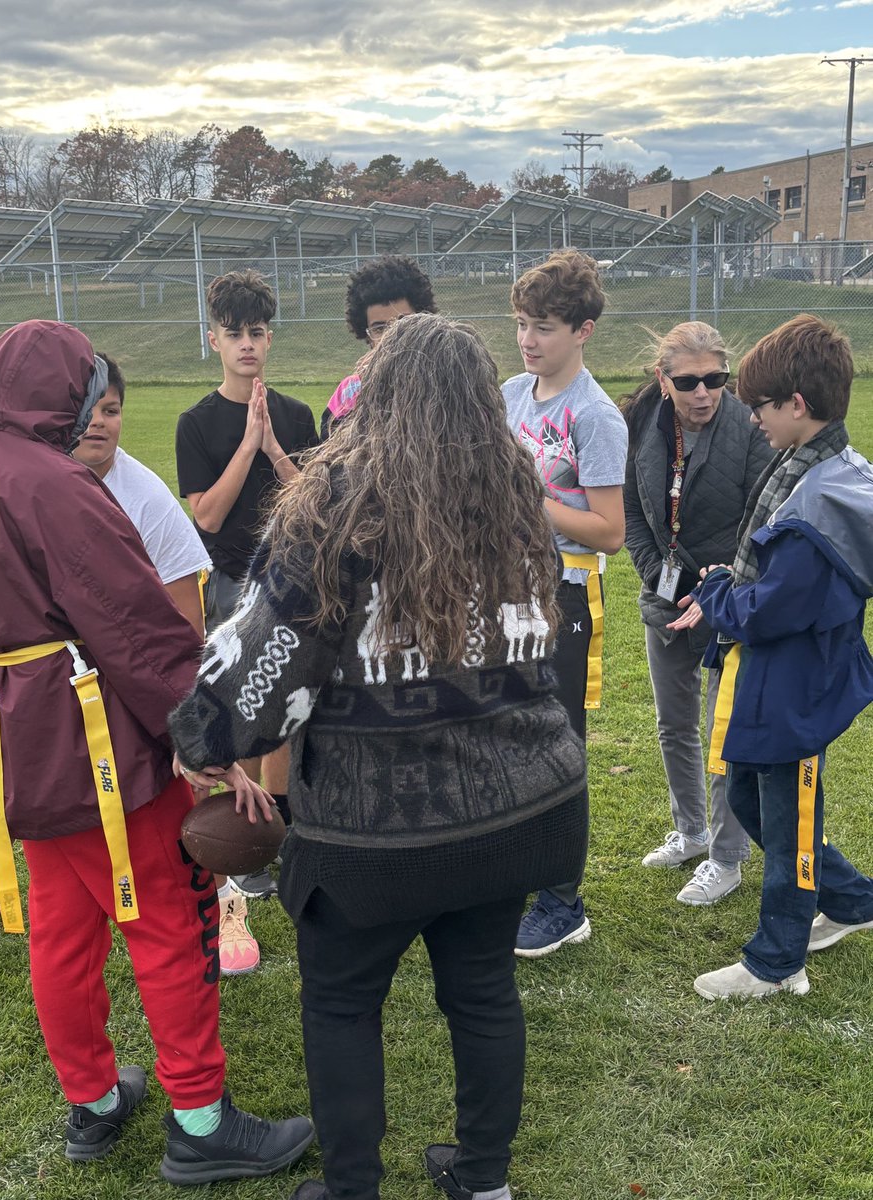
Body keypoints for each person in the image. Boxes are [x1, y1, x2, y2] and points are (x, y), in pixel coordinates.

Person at [169, 313, 589, 1200]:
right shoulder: (519, 488)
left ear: (380, 394)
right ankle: (483, 1180)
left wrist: (203, 742)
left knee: (341, 1005)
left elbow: (263, 665)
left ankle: (352, 1186)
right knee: (482, 995)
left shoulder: (338, 502)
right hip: (519, 807)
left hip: (376, 834)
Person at [0, 320, 313, 1180]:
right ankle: (200, 1124)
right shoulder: (53, 486)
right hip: (91, 744)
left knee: (59, 930)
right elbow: (135, 630)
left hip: (11, 738)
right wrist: (207, 740)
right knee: (168, 918)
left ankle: (90, 1101)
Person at [667, 314, 873, 999]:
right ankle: (852, 900)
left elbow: (769, 611)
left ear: (797, 406)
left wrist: (721, 588)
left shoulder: (822, 502)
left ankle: (778, 961)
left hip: (797, 688)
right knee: (755, 806)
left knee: (788, 823)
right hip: (773, 685)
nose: (749, 416)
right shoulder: (804, 465)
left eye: (758, 405)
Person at [71, 354, 257, 976]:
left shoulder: (143, 493)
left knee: (178, 787)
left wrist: (180, 710)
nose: (99, 424)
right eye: (87, 410)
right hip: (68, 680)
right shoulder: (37, 483)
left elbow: (185, 623)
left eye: (112, 410)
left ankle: (227, 895)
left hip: (140, 672)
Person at [176, 269, 319, 901]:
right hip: (232, 582)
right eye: (234, 334)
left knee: (289, 707)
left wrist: (276, 448)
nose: (247, 345)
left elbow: (314, 504)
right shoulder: (196, 421)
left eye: (257, 332)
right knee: (240, 706)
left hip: (293, 577)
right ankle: (238, 839)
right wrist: (247, 445)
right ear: (213, 339)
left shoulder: (295, 413)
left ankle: (279, 827)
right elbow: (205, 514)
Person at [502, 248, 627, 956]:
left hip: (564, 597)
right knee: (505, 735)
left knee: (556, 751)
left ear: (582, 329)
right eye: (522, 323)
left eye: (544, 327)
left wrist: (534, 501)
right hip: (504, 591)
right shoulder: (511, 393)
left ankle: (562, 901)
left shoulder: (596, 416)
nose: (528, 339)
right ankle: (515, 876)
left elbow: (608, 531)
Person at [621, 323, 773, 905]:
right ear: (664, 380)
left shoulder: (749, 428)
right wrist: (657, 574)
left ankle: (726, 857)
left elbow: (763, 519)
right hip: (664, 597)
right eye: (688, 382)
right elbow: (632, 509)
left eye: (715, 379)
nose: (703, 392)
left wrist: (719, 588)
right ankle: (690, 832)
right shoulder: (642, 422)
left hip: (729, 599)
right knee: (673, 723)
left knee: (722, 731)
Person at [320, 254, 436, 439]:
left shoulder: (445, 382)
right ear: (367, 334)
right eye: (380, 328)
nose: (392, 336)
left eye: (403, 322)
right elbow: (332, 460)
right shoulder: (349, 394)